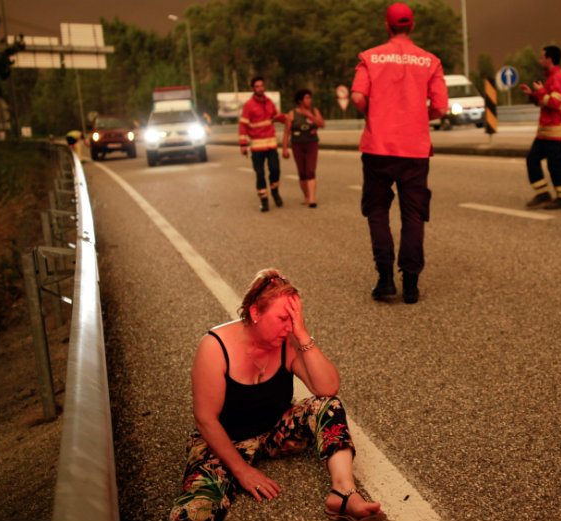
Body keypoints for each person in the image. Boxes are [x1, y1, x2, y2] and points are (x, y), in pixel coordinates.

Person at [168, 269, 386, 521]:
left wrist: (302, 335)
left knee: (328, 406)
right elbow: (206, 419)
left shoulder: (288, 340)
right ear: (255, 313)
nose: (289, 326)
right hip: (225, 442)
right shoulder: (215, 347)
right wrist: (242, 471)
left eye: (294, 318)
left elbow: (327, 389)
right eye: (284, 318)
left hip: (274, 432)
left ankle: (344, 494)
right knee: (193, 513)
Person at [350, 2, 448, 304]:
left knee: (378, 211)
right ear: (412, 26)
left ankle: (385, 279)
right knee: (413, 214)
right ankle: (411, 285)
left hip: (378, 147)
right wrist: (420, 117)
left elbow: (357, 97)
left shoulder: (370, 58)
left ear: (387, 26)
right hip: (415, 150)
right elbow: (441, 107)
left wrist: (376, 115)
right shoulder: (430, 61)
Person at [518, 45, 561, 210]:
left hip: (554, 130)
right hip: (545, 131)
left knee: (555, 164)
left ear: (549, 59)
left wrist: (541, 91)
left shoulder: (557, 77)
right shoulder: (550, 77)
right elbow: (545, 101)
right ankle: (543, 194)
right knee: (532, 160)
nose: (540, 60)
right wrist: (533, 95)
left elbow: (555, 103)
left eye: (542, 57)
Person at [239, 77, 288, 212]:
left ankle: (275, 192)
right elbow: (243, 125)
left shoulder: (269, 102)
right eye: (257, 86)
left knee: (275, 170)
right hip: (257, 146)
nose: (260, 88)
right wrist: (243, 144)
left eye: (261, 86)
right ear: (253, 89)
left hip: (271, 145)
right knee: (260, 174)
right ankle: (264, 200)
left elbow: (278, 116)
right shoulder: (248, 105)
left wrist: (288, 119)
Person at [282, 89, 325, 208]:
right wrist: (284, 149)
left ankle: (312, 198)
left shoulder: (314, 111)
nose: (309, 100)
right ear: (300, 100)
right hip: (297, 145)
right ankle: (306, 196)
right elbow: (286, 133)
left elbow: (322, 124)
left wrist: (310, 116)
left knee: (310, 170)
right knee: (302, 172)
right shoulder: (292, 113)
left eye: (310, 98)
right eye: (307, 98)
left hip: (312, 143)